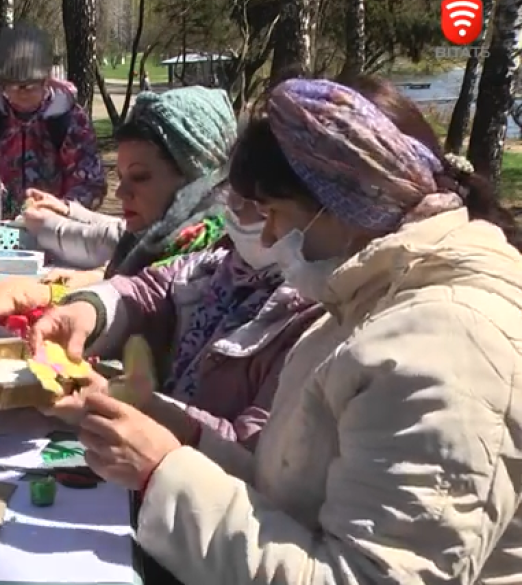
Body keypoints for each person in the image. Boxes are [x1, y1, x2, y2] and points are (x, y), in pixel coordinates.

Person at [43, 78, 522, 584]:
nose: (268, 236)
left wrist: (162, 471)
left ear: (348, 203)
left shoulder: (447, 348)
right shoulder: (366, 302)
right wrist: (163, 423)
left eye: (277, 214)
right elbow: (288, 483)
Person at [35, 181, 323, 448]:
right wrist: (89, 311)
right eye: (233, 196)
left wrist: (135, 407)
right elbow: (149, 289)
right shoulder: (217, 263)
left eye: (263, 206)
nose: (234, 211)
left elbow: (251, 452)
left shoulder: (316, 321)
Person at [0, 86, 237, 319]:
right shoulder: (150, 243)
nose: (121, 193)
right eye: (120, 178)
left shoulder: (209, 267)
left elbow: (133, 301)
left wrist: (44, 293)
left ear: (195, 180)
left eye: (140, 177)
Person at [0, 23, 106, 216]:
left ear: (46, 80)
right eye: (13, 85)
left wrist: (61, 208)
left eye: (29, 85)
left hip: (54, 227)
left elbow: (92, 183)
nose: (22, 93)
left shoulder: (69, 119)